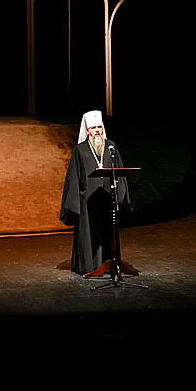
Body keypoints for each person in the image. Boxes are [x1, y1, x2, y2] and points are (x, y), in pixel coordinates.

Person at [58, 110, 133, 276]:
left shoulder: (111, 146)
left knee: (108, 231)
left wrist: (121, 196)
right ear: (87, 131)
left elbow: (119, 171)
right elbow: (73, 177)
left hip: (107, 197)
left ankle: (110, 263)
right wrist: (74, 204)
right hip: (87, 200)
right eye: (93, 128)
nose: (97, 130)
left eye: (99, 127)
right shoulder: (80, 150)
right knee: (88, 233)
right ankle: (89, 267)